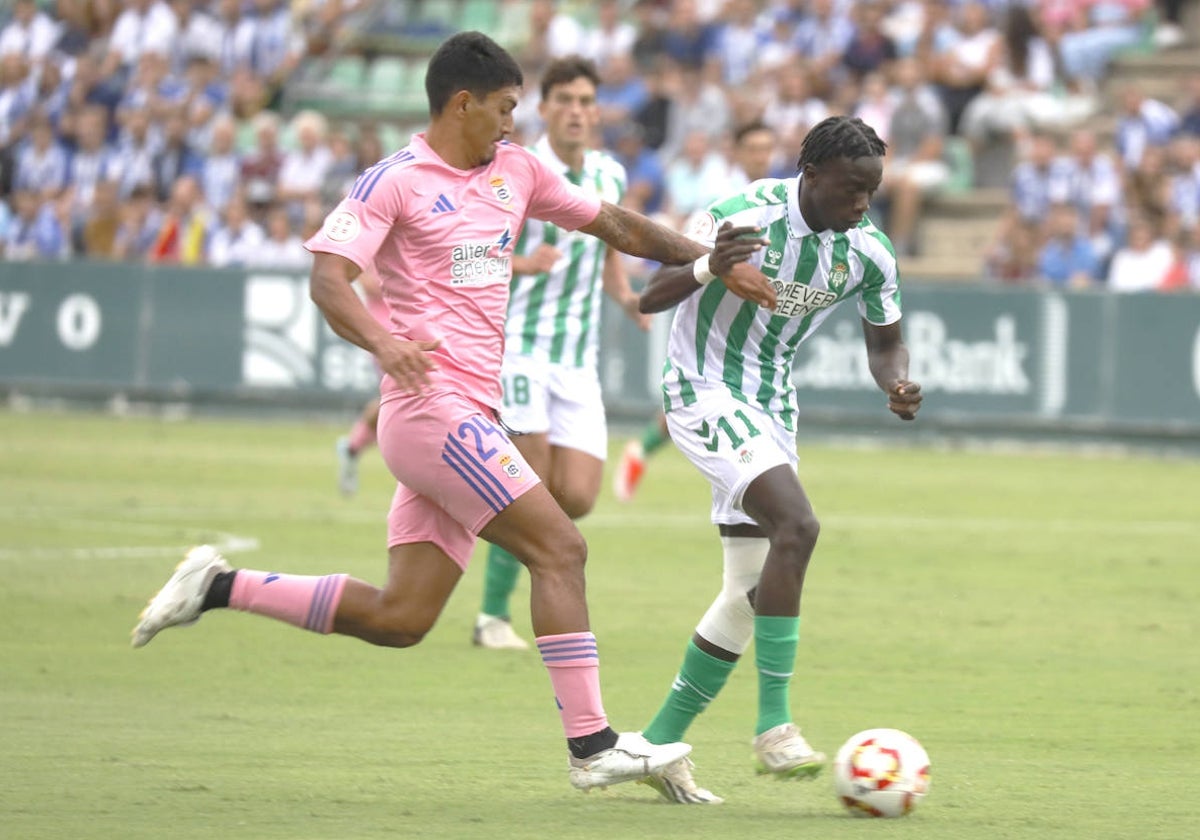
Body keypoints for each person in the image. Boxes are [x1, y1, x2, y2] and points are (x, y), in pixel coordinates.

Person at [130, 30, 765, 793]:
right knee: (560, 548)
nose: (511, 123)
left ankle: (217, 586)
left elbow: (617, 226)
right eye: (503, 109)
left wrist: (703, 257)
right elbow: (330, 281)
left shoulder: (517, 171)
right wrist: (384, 341)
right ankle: (593, 744)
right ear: (462, 103)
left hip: (466, 417)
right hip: (431, 411)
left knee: (403, 618)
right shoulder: (391, 182)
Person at [631, 116, 923, 804]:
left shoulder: (870, 251)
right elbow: (653, 295)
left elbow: (886, 346)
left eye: (872, 192)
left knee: (746, 594)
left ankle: (655, 746)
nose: (861, 204)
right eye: (851, 189)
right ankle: (774, 725)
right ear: (812, 175)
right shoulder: (742, 214)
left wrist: (897, 385)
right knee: (800, 526)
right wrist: (714, 264)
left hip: (772, 406)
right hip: (701, 387)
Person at [471, 55, 649, 650]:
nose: (576, 111)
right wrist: (522, 262)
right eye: (564, 101)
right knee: (532, 486)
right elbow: (467, 256)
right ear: (542, 109)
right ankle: (492, 616)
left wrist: (627, 298)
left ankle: (485, 541)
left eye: (585, 101)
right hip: (519, 350)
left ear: (596, 111)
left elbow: (609, 252)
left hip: (577, 359)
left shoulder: (610, 174)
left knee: (576, 496)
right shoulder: (513, 169)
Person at [613, 121, 780, 503]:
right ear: (735, 152)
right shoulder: (723, 197)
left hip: (752, 318)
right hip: (706, 305)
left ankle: (643, 448)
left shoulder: (777, 198)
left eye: (767, 148)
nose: (761, 156)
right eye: (753, 148)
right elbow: (683, 249)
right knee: (702, 394)